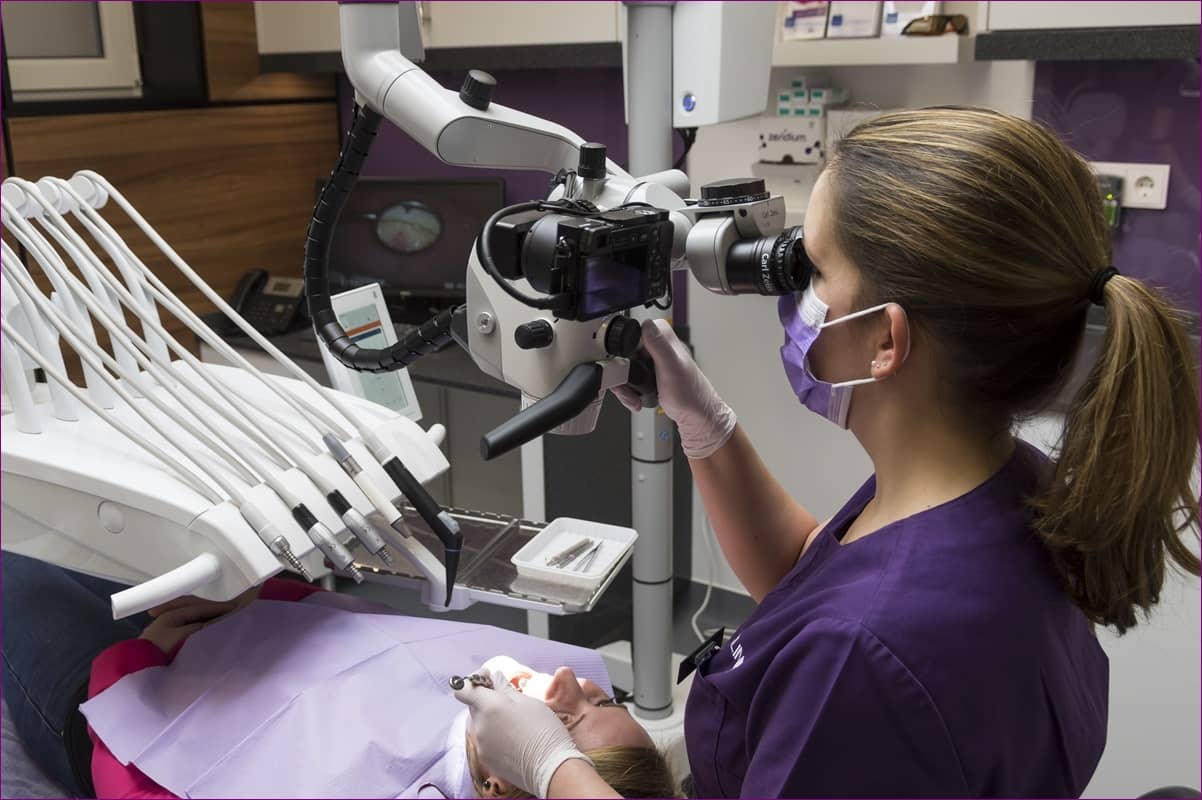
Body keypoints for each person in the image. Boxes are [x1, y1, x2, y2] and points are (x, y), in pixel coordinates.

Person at [453, 106, 1201, 798]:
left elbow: (854, 625)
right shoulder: (999, 486)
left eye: (810, 266)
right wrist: (705, 425)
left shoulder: (862, 658)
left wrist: (555, 772)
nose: (787, 288)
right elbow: (814, 575)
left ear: (885, 340)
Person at [0, 552, 676, 798]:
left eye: (564, 722)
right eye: (601, 696)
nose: (567, 678)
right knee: (66, 532)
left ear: (501, 783)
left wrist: (138, 660)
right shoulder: (482, 691)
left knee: (15, 557)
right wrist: (250, 600)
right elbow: (354, 633)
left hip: (120, 713)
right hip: (225, 623)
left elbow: (135, 787)